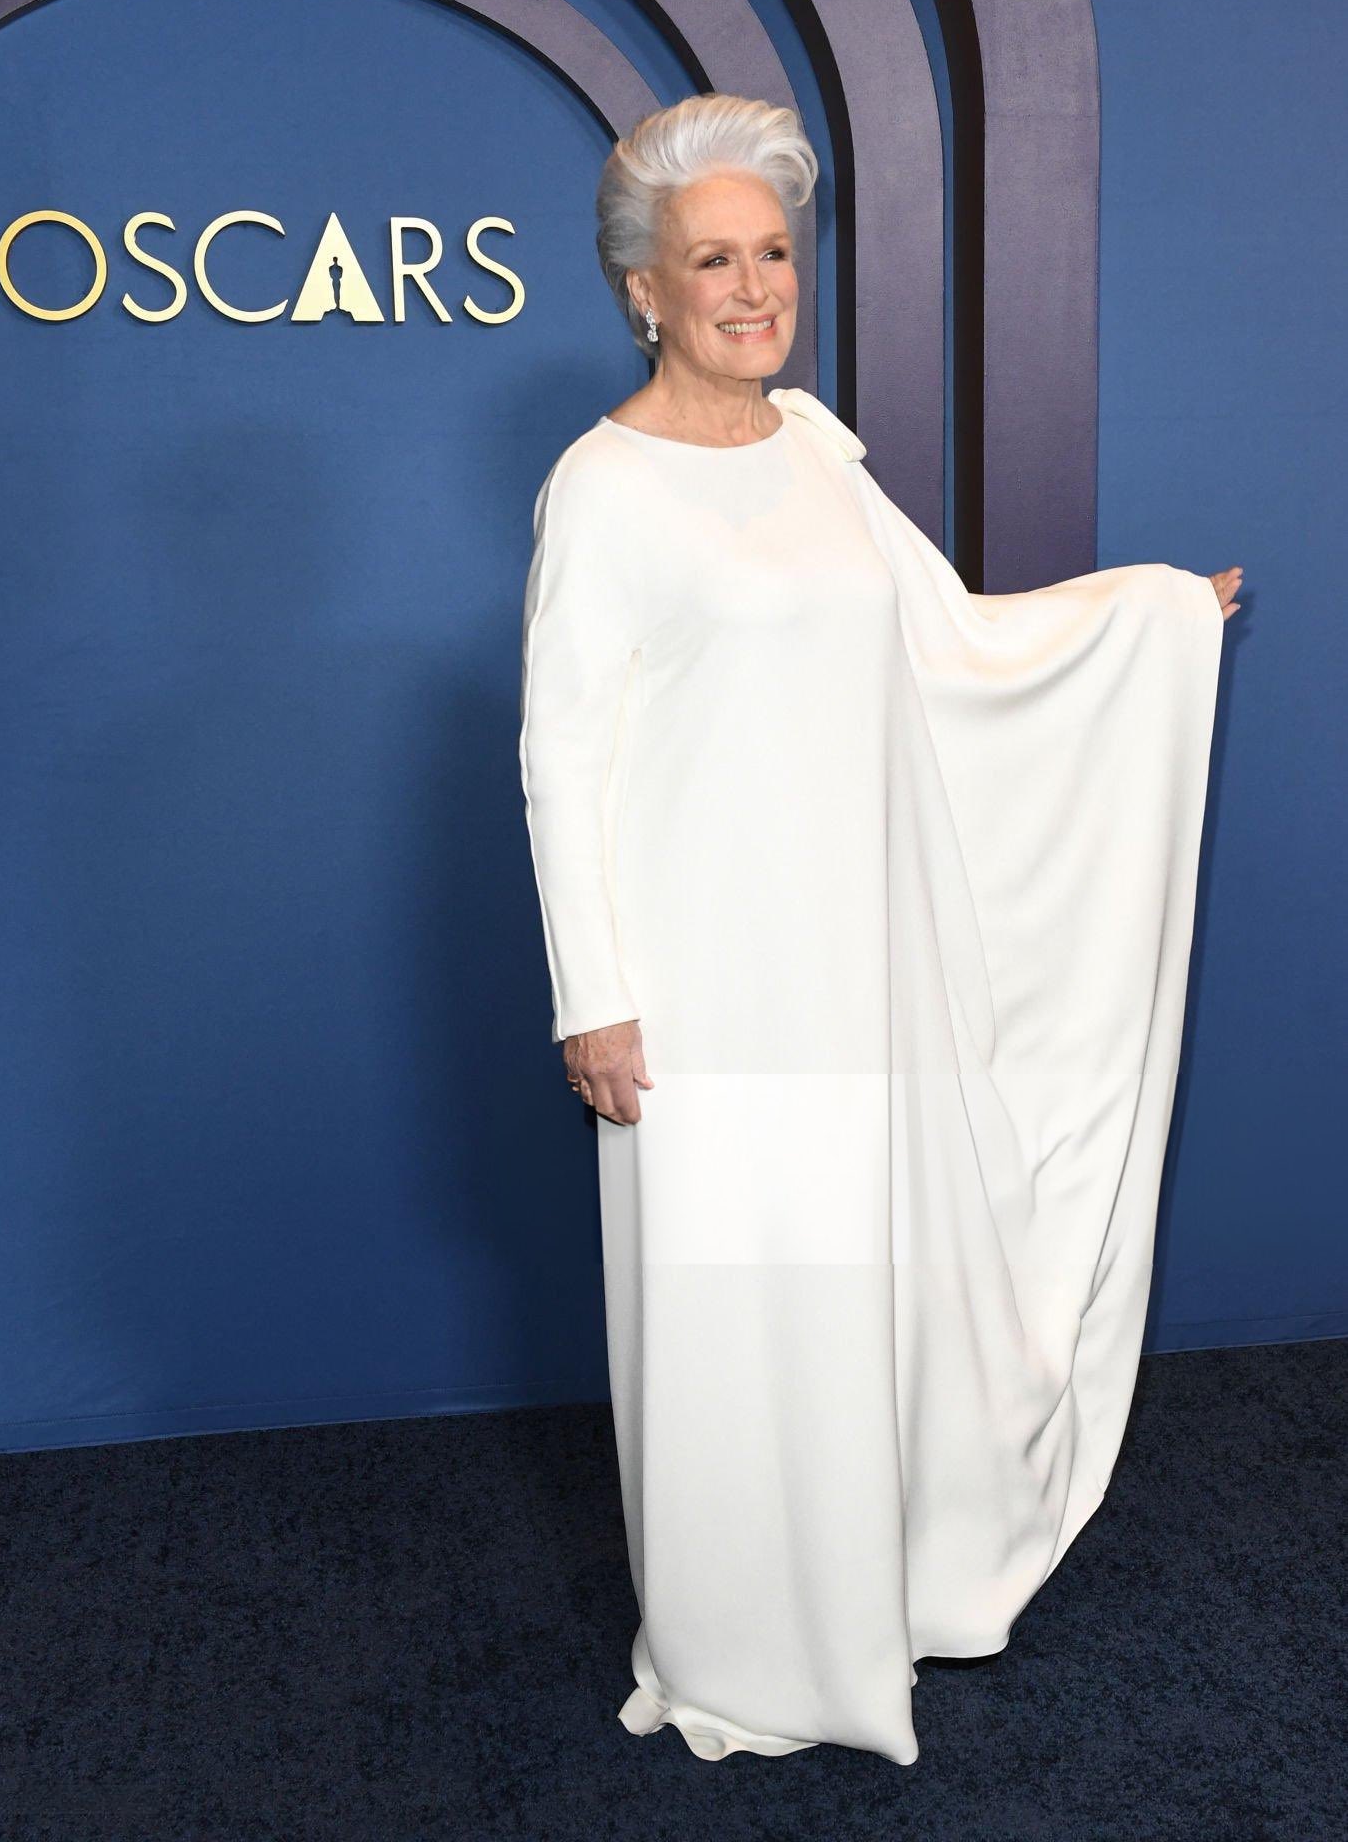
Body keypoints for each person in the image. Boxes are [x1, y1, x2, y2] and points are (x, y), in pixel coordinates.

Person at [517, 92, 1242, 1765]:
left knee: (848, 1286)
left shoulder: (817, 450)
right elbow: (559, 754)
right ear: (643, 289)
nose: (752, 288)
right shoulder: (602, 488)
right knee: (734, 1305)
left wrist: (1144, 623)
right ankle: (745, 1648)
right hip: (703, 983)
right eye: (712, 260)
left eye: (773, 253)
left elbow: (946, 640)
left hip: (853, 966)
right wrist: (592, 998)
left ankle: (876, 1593)